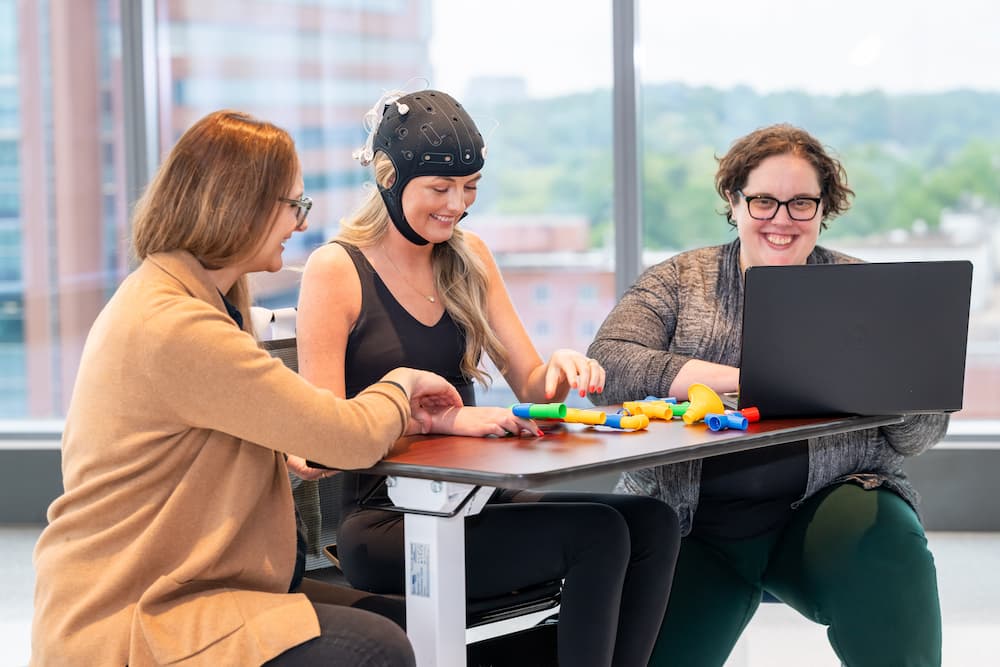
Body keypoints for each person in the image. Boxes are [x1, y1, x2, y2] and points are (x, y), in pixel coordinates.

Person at [29, 110, 471, 666]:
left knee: (410, 625)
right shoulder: (176, 326)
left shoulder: (180, 296)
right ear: (240, 205)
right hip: (137, 614)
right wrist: (401, 383)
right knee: (373, 648)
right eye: (294, 205)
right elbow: (345, 439)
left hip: (189, 589)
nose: (300, 224)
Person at [293, 89, 681, 667]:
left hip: (479, 498)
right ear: (389, 178)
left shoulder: (468, 255)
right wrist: (445, 422)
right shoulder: (336, 268)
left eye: (470, 187)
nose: (457, 205)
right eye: (440, 188)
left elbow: (532, 385)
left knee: (653, 521)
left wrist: (561, 369)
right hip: (390, 519)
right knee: (598, 535)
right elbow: (318, 441)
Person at [588, 123, 947, 667]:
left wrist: (887, 386)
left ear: (823, 209)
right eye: (763, 201)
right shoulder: (679, 281)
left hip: (829, 505)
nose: (782, 219)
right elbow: (609, 365)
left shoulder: (865, 290)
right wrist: (742, 376)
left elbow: (923, 433)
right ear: (734, 202)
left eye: (802, 202)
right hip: (691, 521)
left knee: (891, 546)